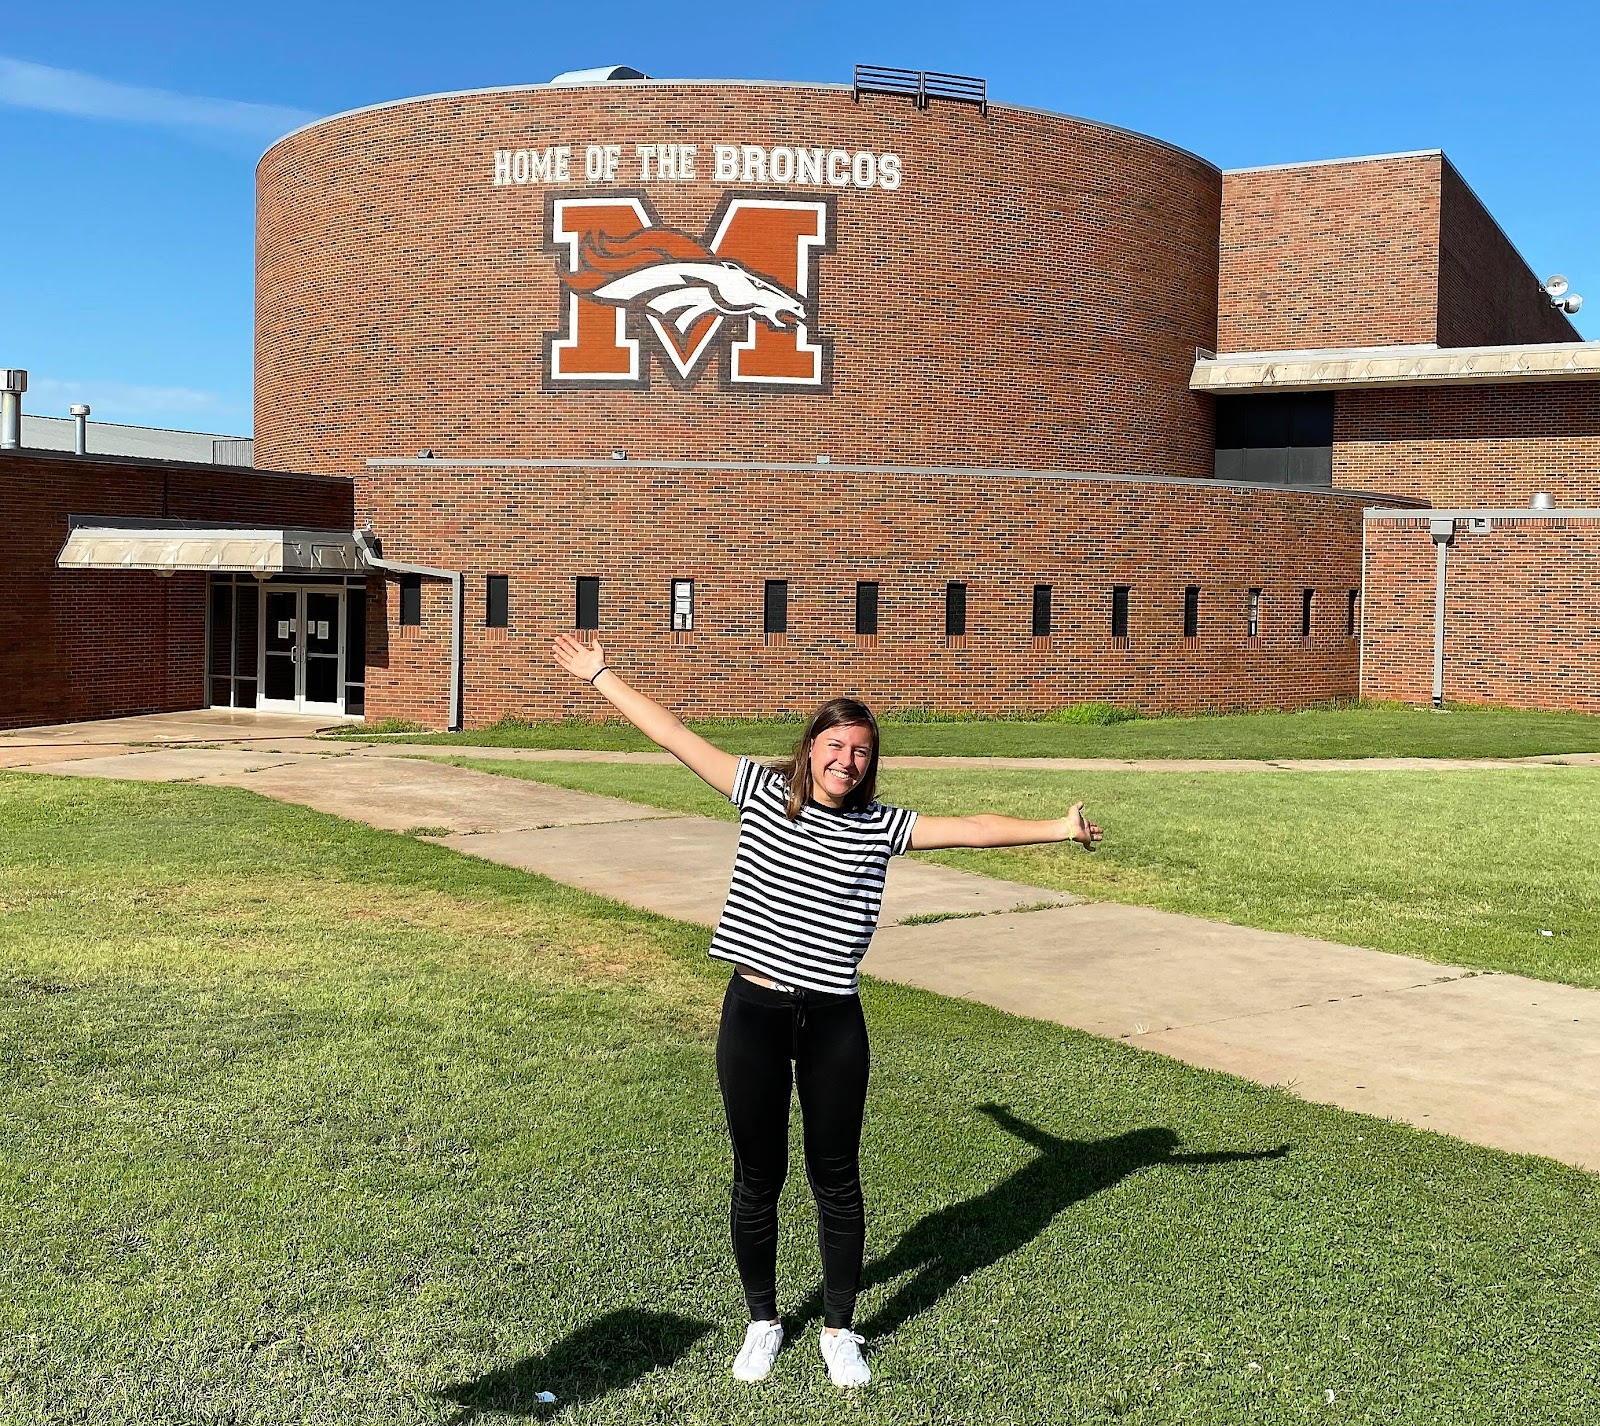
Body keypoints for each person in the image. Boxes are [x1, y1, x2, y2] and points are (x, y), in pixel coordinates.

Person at [550, 634, 1102, 1389]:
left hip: (834, 1023)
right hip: (755, 1013)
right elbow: (676, 735)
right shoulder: (759, 791)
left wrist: (1058, 828)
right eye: (836, 745)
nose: (848, 760)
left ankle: (840, 1329)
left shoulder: (883, 827)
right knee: (757, 1175)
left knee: (836, 1177)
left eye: (862, 752)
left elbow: (973, 828)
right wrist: (601, 676)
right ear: (810, 748)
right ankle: (763, 1320)